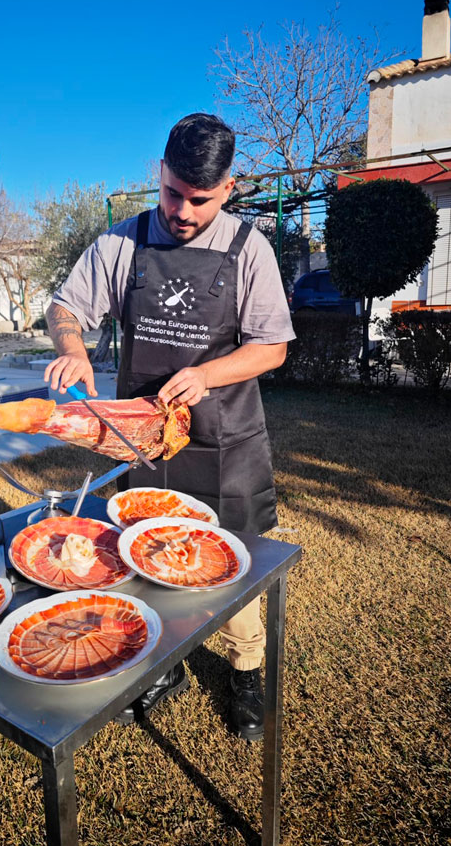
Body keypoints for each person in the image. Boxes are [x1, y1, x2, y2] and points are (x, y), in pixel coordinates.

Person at [44, 113, 295, 740]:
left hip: (222, 441)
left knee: (228, 566)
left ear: (229, 188)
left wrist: (209, 375)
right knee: (141, 555)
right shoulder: (121, 244)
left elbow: (272, 346)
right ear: (159, 174)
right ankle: (164, 665)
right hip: (140, 439)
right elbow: (65, 306)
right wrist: (72, 345)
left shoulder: (248, 249)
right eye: (172, 193)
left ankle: (245, 672)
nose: (182, 210)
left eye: (199, 199)